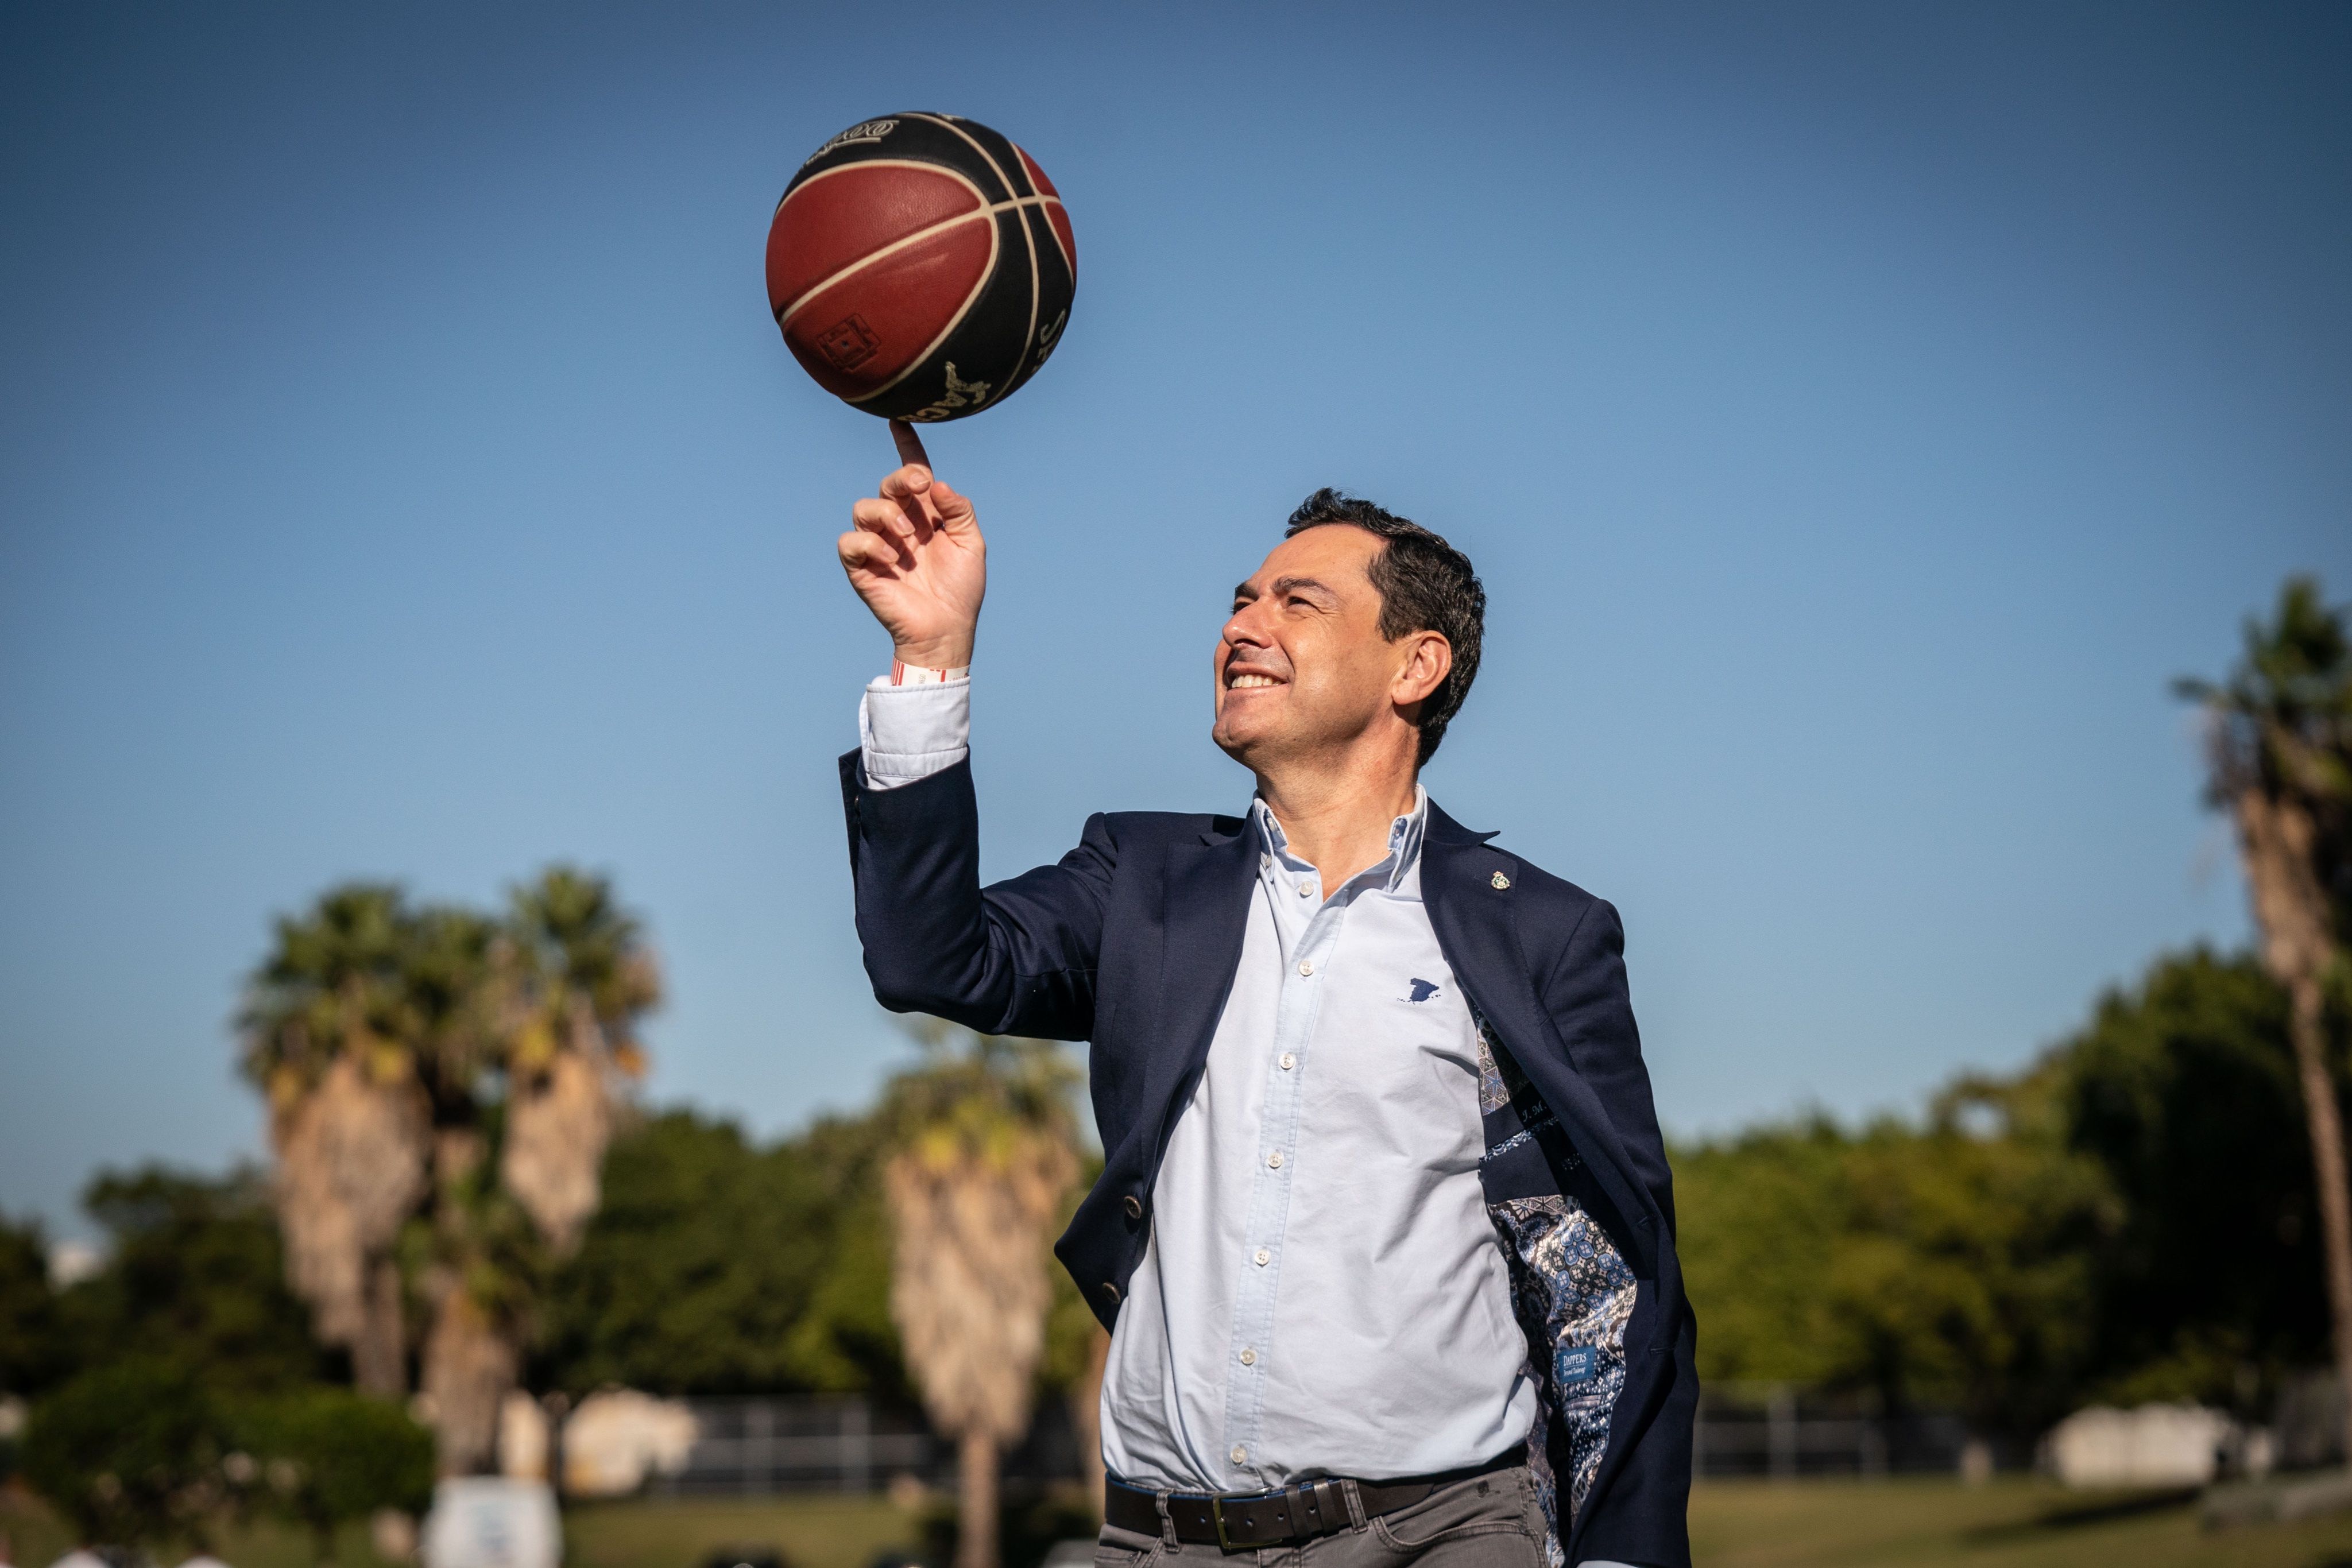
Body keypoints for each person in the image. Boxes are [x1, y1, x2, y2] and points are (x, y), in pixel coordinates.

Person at [835, 454, 1695, 1568]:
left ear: (1414, 665)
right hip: (1153, 1541)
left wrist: (1623, 1554)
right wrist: (928, 656)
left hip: (1441, 1532)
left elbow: (1609, 1281)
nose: (1245, 623)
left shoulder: (1538, 933)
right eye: (1240, 599)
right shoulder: (1138, 880)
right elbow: (928, 958)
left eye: (1298, 600)